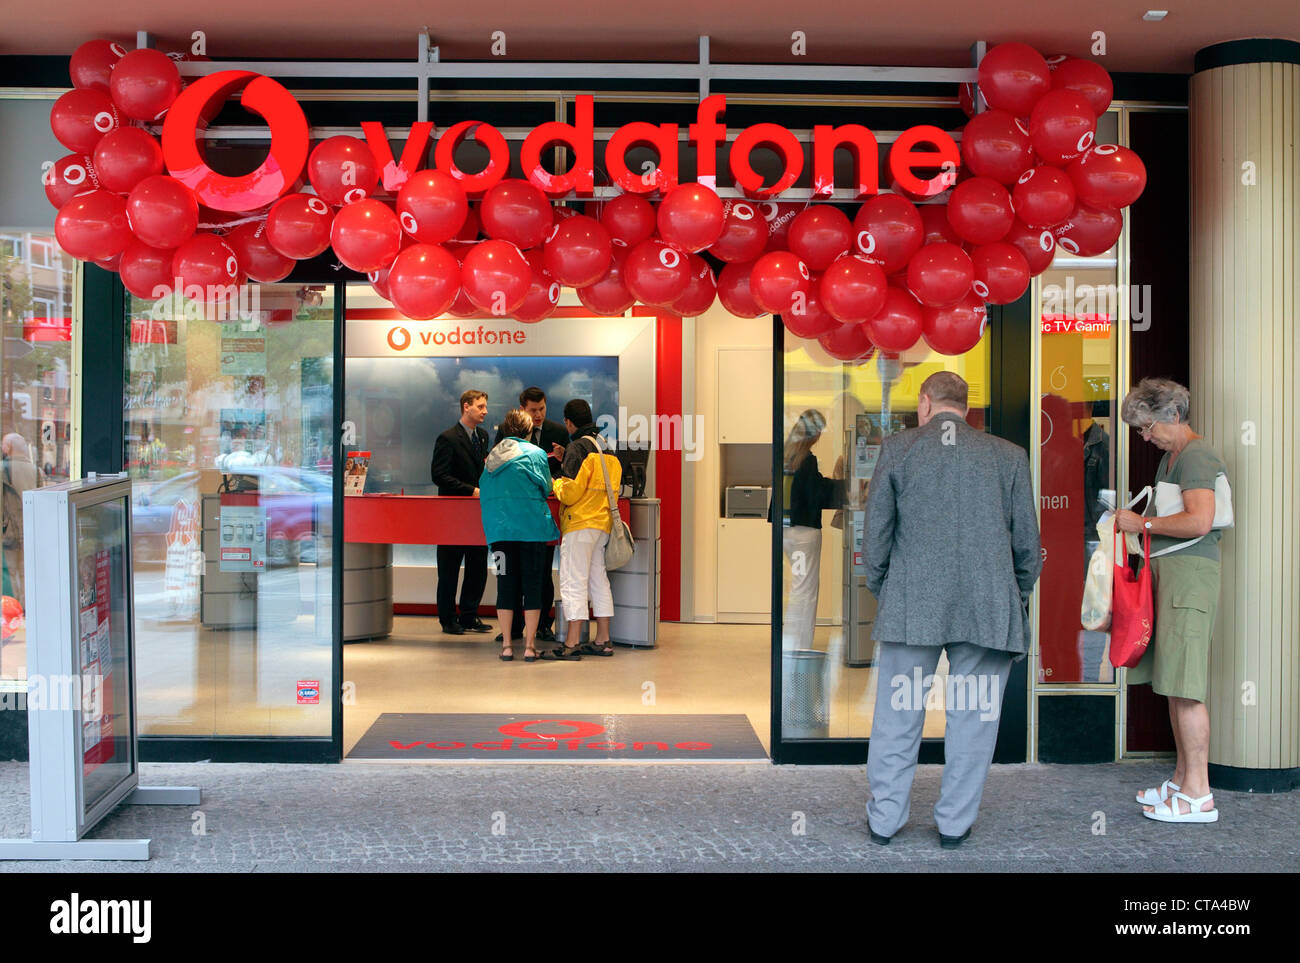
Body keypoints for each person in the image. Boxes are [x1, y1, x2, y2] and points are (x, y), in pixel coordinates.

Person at [862, 372, 1041, 848]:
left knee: (897, 719)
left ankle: (885, 820)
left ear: (925, 403)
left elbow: (875, 535)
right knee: (973, 721)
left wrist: (885, 587)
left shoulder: (899, 449)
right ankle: (954, 825)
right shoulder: (1009, 456)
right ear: (966, 408)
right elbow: (1028, 546)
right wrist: (1013, 592)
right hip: (986, 607)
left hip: (911, 604)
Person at [1115, 378, 1226, 824]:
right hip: (1178, 577)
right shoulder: (1174, 457)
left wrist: (1142, 524)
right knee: (1176, 685)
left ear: (1172, 416)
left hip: (1189, 579)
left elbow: (1200, 520)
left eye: (1147, 427)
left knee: (1186, 686)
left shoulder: (1196, 456)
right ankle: (1183, 782)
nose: (1144, 436)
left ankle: (1198, 795)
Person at [480, 408, 561, 662]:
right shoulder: (535, 453)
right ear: (527, 431)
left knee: (505, 586)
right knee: (532, 586)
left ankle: (506, 645)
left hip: (500, 533)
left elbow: (484, 487)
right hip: (531, 531)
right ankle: (528, 647)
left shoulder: (491, 457)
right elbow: (546, 486)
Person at [493, 387, 568, 645]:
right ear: (522, 409)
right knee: (509, 577)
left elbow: (566, 472)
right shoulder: (504, 437)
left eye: (542, 409)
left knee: (541, 574)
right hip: (516, 517)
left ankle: (541, 627)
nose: (538, 415)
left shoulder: (558, 432)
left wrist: (562, 459)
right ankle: (512, 629)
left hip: (543, 512)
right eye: (533, 410)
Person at [550, 399, 622, 659]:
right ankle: (603, 638)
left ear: (569, 422)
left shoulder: (576, 447)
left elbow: (569, 493)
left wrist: (555, 481)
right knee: (597, 579)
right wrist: (564, 459)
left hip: (579, 524)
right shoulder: (606, 448)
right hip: (602, 525)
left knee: (573, 581)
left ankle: (571, 643)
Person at [775, 410, 846, 651]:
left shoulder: (784, 455)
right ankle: (799, 646)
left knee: (797, 588)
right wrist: (847, 487)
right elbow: (815, 493)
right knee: (806, 591)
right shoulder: (808, 459)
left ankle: (791, 641)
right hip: (805, 533)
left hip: (785, 531)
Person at [430, 389, 493, 637]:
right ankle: (447, 619)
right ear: (466, 407)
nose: (485, 411)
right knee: (449, 569)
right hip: (452, 515)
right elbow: (439, 476)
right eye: (480, 406)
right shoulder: (447, 438)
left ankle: (469, 615)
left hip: (478, 514)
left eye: (485, 406)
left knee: (478, 565)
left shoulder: (484, 436)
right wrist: (471, 491)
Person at [1, 434, 41, 604]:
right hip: (30, 530)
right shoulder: (35, 471)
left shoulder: (3, 469)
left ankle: (14, 607)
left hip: (8, 532)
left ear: (8, 447)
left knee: (10, 572)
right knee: (27, 572)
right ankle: (27, 606)